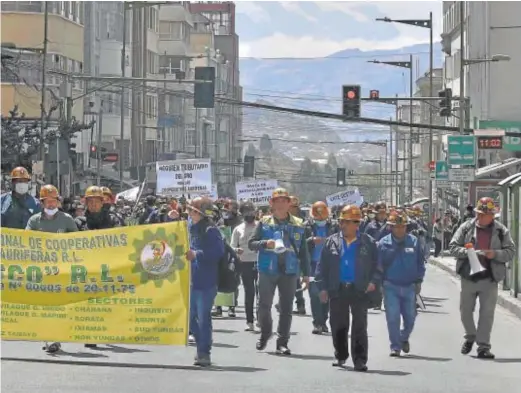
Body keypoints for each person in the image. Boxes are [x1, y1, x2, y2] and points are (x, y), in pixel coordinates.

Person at [449, 197, 515, 359]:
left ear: (493, 215)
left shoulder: (501, 231)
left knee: (487, 314)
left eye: (487, 214)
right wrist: (469, 252)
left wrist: (496, 254)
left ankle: (483, 346)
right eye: (481, 213)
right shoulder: (466, 228)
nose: (484, 217)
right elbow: (453, 247)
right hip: (469, 276)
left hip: (490, 277)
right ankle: (470, 335)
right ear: (477, 213)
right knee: (465, 311)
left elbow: (511, 251)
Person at [315, 205, 379, 371]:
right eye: (342, 221)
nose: (343, 225)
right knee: (338, 324)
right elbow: (321, 268)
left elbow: (378, 266)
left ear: (357, 224)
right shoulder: (331, 242)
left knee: (359, 325)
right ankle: (341, 355)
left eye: (348, 222)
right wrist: (322, 288)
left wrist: (373, 281)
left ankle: (360, 360)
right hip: (338, 289)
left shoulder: (368, 243)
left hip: (360, 289)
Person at [248, 188, 310, 355]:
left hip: (290, 271)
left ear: (289, 203)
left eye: (284, 201)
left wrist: (306, 274)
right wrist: (265, 243)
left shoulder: (299, 223)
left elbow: (303, 251)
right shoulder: (264, 222)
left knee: (286, 308)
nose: (281, 204)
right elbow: (251, 243)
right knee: (264, 305)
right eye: (278, 201)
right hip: (267, 269)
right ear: (272, 203)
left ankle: (282, 342)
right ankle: (266, 332)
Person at [25, 185, 78, 353]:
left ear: (58, 202)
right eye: (47, 201)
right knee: (44, 306)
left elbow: (79, 241)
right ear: (41, 203)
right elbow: (24, 241)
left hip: (62, 271)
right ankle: (47, 338)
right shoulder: (34, 221)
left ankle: (57, 339)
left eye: (53, 200)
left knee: (60, 306)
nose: (50, 204)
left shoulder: (67, 219)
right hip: (41, 271)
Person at [377, 210, 425, 357]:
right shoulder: (383, 243)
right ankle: (395, 346)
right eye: (396, 226)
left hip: (410, 286)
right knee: (393, 317)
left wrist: (419, 280)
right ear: (390, 227)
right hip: (390, 285)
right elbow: (378, 265)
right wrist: (379, 283)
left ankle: (403, 338)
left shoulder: (414, 242)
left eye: (402, 226)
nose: (399, 229)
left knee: (411, 317)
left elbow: (420, 263)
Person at [186, 197, 225, 366]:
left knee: (203, 317)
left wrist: (197, 254)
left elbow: (218, 253)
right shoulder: (188, 228)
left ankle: (203, 352)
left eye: (192, 211)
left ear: (200, 213)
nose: (189, 213)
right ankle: (201, 346)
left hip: (206, 281)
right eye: (189, 210)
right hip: (190, 280)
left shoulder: (211, 230)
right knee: (189, 317)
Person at [305, 201, 338, 334]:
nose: (319, 218)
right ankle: (317, 323)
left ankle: (323, 321)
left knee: (327, 294)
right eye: (317, 215)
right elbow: (301, 245)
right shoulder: (306, 226)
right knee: (314, 294)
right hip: (312, 264)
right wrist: (311, 240)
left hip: (329, 264)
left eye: (322, 215)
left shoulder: (334, 226)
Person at [231, 201, 259, 331]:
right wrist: (237, 250)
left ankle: (261, 318)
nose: (250, 214)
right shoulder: (238, 229)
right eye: (247, 212)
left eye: (252, 211)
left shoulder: (261, 226)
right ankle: (250, 320)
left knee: (261, 291)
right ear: (242, 214)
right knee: (250, 291)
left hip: (260, 262)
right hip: (245, 263)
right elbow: (232, 246)